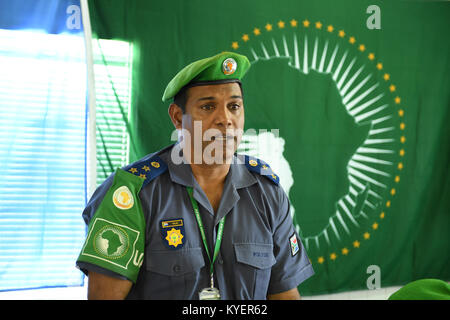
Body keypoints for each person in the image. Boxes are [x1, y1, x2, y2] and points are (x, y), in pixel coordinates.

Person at [76, 51, 314, 300]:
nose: (225, 119)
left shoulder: (267, 192)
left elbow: (285, 294)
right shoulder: (132, 192)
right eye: (208, 106)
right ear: (178, 118)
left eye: (234, 106)